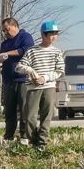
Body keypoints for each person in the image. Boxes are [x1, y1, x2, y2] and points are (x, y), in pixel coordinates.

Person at [16, 21, 65, 151]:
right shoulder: (32, 51)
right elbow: (19, 67)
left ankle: (42, 142)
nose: (54, 37)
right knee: (30, 116)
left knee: (46, 115)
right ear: (43, 35)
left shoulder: (57, 52)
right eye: (51, 34)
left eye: (56, 34)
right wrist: (31, 71)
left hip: (49, 87)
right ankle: (32, 139)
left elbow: (60, 71)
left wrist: (46, 78)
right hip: (33, 88)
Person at [0, 17, 34, 141]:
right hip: (8, 80)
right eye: (4, 31)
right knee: (9, 111)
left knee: (24, 110)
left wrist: (8, 54)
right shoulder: (4, 43)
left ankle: (25, 136)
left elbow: (26, 50)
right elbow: (2, 57)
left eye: (7, 30)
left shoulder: (25, 36)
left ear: (14, 26)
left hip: (22, 80)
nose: (6, 33)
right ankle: (9, 136)